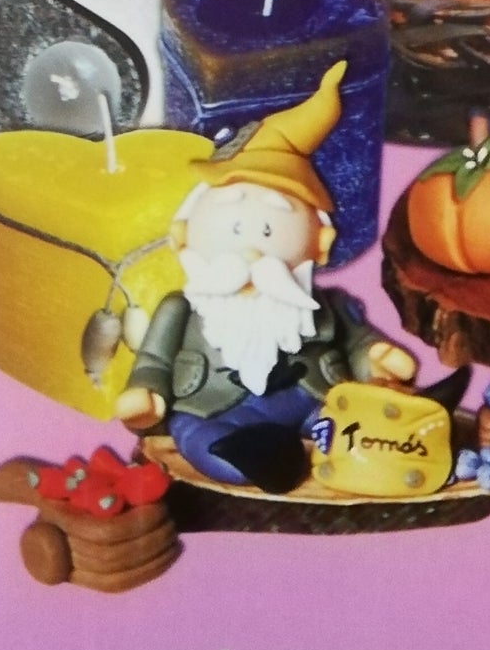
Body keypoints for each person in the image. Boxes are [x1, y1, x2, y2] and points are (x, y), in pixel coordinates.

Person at [113, 61, 415, 491]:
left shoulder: (324, 306)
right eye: (236, 230)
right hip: (211, 410)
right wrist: (147, 396)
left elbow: (356, 342)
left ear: (321, 244)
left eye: (271, 232)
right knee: (209, 443)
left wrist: (376, 358)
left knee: (348, 428)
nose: (254, 255)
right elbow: (155, 362)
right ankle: (252, 457)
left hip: (315, 404)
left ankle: (342, 448)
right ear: (182, 236)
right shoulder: (181, 310)